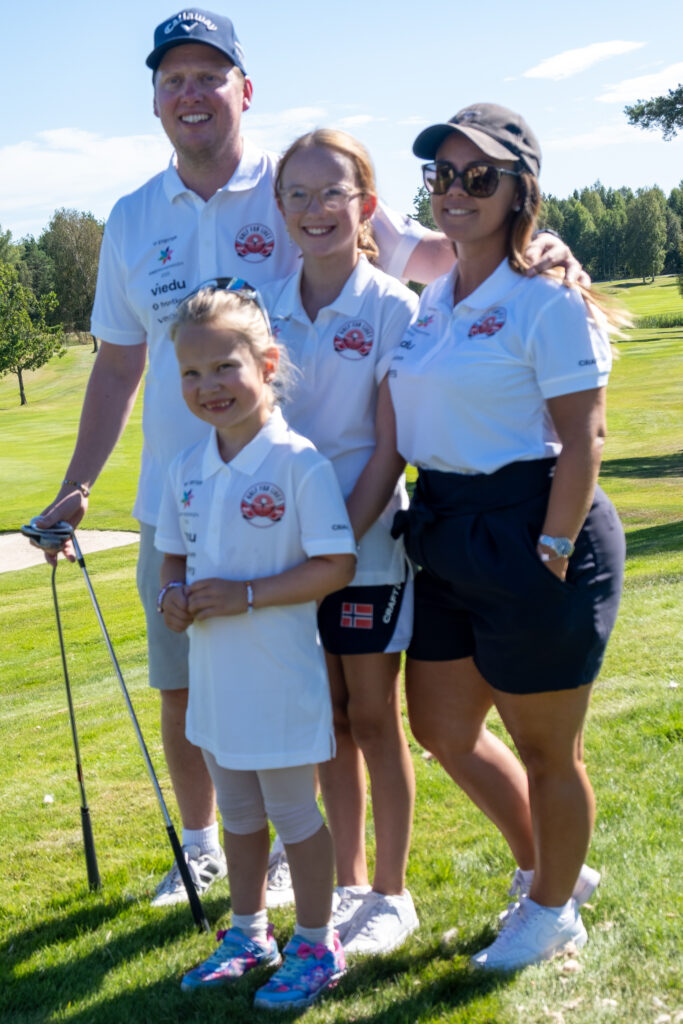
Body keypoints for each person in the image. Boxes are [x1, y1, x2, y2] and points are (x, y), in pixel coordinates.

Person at [32, 7, 585, 909]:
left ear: (243, 91)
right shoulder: (133, 217)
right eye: (173, 79)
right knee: (204, 689)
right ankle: (219, 847)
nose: (192, 93)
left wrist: (533, 248)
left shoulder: (299, 180)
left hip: (335, 526)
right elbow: (119, 357)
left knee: (356, 715)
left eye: (210, 76)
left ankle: (358, 878)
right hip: (192, 501)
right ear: (156, 100)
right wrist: (78, 483)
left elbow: (434, 247)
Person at [388, 103, 626, 971]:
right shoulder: (435, 293)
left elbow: (584, 438)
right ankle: (551, 869)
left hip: (535, 526)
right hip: (445, 526)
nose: (454, 191)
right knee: (442, 726)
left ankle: (551, 908)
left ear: (519, 188)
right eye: (440, 175)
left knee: (544, 745)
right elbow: (331, 200)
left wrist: (552, 552)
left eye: (477, 176)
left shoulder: (546, 299)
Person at [156, 281, 356, 1009]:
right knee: (237, 815)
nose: (208, 387)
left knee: (294, 816)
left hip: (277, 679)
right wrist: (171, 597)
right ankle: (249, 933)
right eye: (191, 372)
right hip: (215, 681)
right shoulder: (187, 469)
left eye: (224, 367)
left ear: (268, 363)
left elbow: (336, 566)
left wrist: (244, 595)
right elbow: (174, 556)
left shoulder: (296, 461)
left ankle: (315, 942)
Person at [259, 129, 417, 955]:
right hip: (293, 556)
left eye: (333, 192)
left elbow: (388, 446)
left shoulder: (394, 305)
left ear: (366, 203)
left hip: (366, 544)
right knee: (325, 721)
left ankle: (392, 894)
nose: (315, 209)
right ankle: (349, 882)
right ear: (280, 209)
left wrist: (336, 545)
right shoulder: (266, 311)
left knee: (373, 716)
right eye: (298, 194)